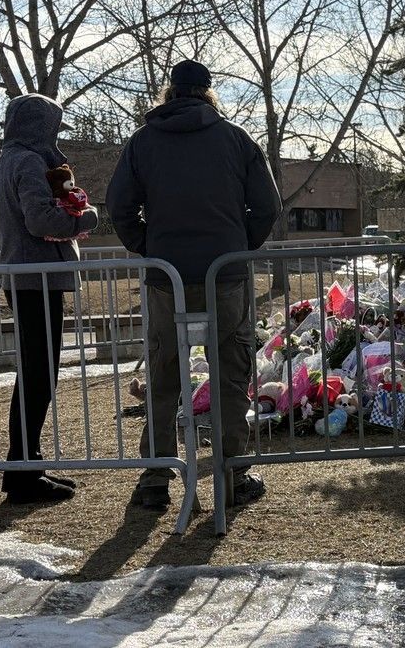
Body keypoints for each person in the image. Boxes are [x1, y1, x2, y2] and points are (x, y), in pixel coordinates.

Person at [106, 60, 281, 511]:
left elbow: (120, 206)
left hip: (167, 276)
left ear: (170, 91)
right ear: (208, 92)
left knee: (164, 373)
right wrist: (239, 246)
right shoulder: (236, 139)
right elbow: (267, 206)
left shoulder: (142, 143)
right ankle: (235, 473)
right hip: (225, 272)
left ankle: (155, 479)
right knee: (230, 370)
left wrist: (149, 247)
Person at [0, 93, 100, 503]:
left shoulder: (4, 162)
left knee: (36, 374)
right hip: (36, 277)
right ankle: (22, 472)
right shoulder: (31, 161)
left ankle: (26, 465)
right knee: (38, 376)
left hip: (23, 274)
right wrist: (84, 218)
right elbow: (40, 220)